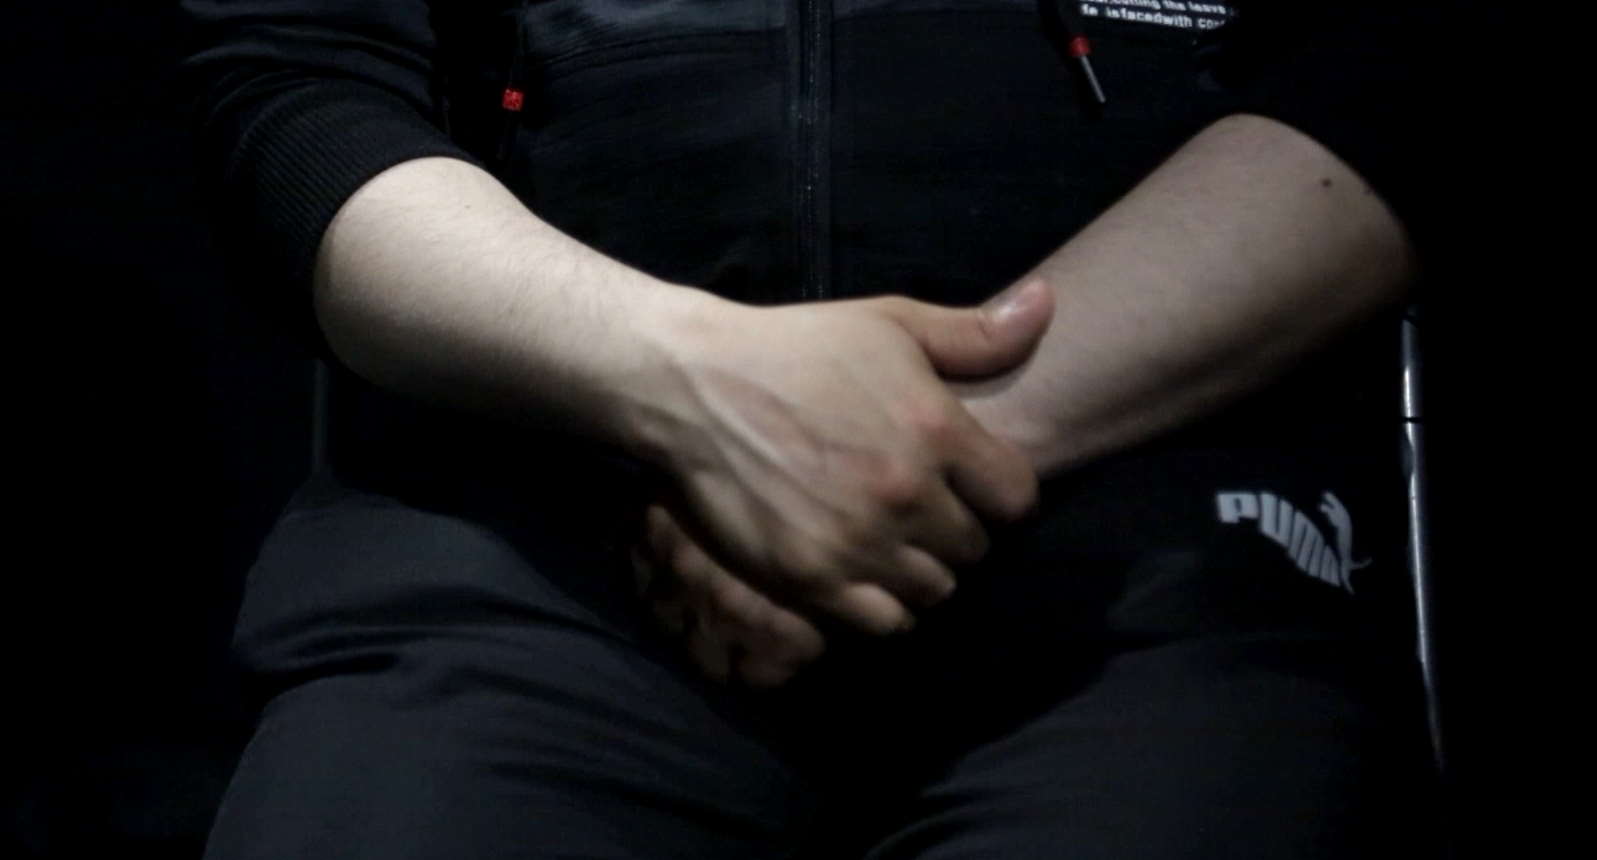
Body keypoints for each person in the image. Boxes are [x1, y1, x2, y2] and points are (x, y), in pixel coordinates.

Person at [181, 1, 1451, 856]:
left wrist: (907, 440)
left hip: (1162, 571)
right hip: (526, 560)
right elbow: (295, 87)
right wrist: (690, 383)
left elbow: (1399, 64)